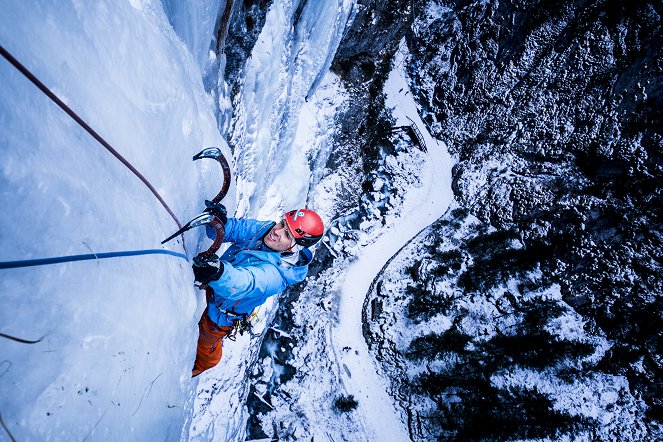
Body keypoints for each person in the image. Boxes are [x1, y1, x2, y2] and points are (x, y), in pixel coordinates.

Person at [191, 207, 324, 377]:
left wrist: (218, 273)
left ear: (294, 248)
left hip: (220, 313)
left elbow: (244, 283)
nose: (277, 232)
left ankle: (199, 367)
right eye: (283, 224)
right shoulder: (265, 229)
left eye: (288, 235)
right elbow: (236, 229)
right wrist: (219, 223)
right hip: (215, 284)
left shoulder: (275, 276)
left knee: (205, 344)